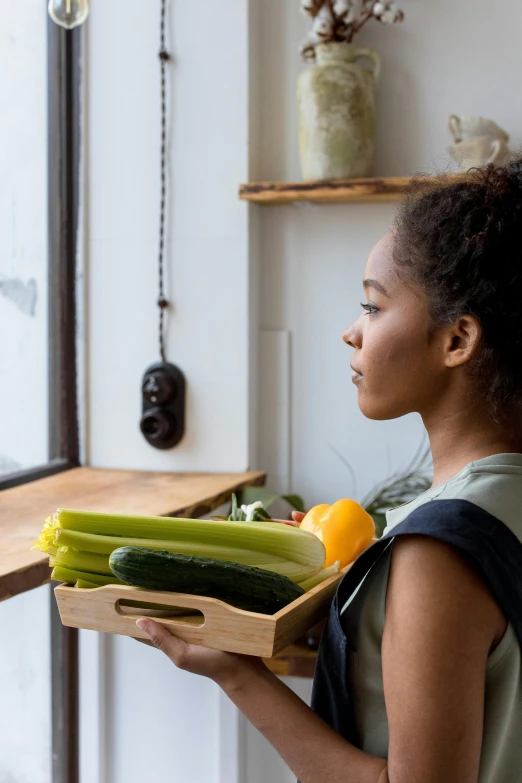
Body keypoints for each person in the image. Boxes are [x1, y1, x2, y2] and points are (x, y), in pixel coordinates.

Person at [136, 159, 522, 783]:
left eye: (371, 307)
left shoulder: (439, 555)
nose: (351, 333)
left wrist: (236, 672)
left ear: (457, 341)